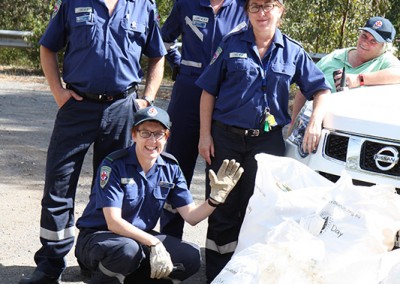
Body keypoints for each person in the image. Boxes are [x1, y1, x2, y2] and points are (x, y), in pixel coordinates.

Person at [20, 0, 166, 283]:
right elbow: (47, 47)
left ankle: (95, 260)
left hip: (123, 109)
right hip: (77, 106)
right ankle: (50, 264)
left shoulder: (143, 6)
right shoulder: (74, 3)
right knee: (58, 184)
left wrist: (147, 98)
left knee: (111, 189)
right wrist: (58, 92)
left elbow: (157, 55)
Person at [195, 0, 331, 281]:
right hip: (227, 140)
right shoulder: (231, 44)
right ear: (247, 12)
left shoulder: (292, 50)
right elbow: (208, 92)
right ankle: (218, 276)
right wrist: (205, 135)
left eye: (268, 5)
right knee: (222, 206)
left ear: (281, 10)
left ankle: (248, 274)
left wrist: (314, 121)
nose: (262, 12)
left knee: (260, 209)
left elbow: (320, 89)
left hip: (267, 144)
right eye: (255, 6)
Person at [74, 106, 244, 283]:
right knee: (127, 250)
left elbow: (192, 216)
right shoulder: (114, 165)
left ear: (167, 137)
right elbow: (113, 222)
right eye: (145, 133)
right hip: (99, 237)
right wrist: (154, 243)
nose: (152, 140)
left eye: (158, 134)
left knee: (190, 256)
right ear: (134, 135)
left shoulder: (171, 168)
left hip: (138, 238)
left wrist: (215, 199)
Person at [159, 0, 249, 239]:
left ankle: (219, 251)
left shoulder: (244, 7)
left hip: (226, 96)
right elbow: (164, 40)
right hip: (188, 93)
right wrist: (178, 64)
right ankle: (169, 242)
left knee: (223, 172)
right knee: (175, 168)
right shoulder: (186, 4)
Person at [290, 16, 400, 128]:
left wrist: (360, 79)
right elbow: (303, 91)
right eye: (364, 36)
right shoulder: (335, 56)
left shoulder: (385, 61)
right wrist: (292, 125)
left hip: (356, 131)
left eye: (373, 41)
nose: (365, 43)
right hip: (312, 127)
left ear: (385, 46)